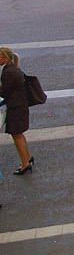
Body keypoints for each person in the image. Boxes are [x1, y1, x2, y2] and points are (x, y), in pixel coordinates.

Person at [0, 47, 33, 175]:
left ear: (4, 58)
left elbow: (4, 91)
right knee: (19, 134)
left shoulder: (9, 72)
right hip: (20, 106)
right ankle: (27, 158)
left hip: (16, 108)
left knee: (17, 135)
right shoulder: (13, 69)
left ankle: (25, 164)